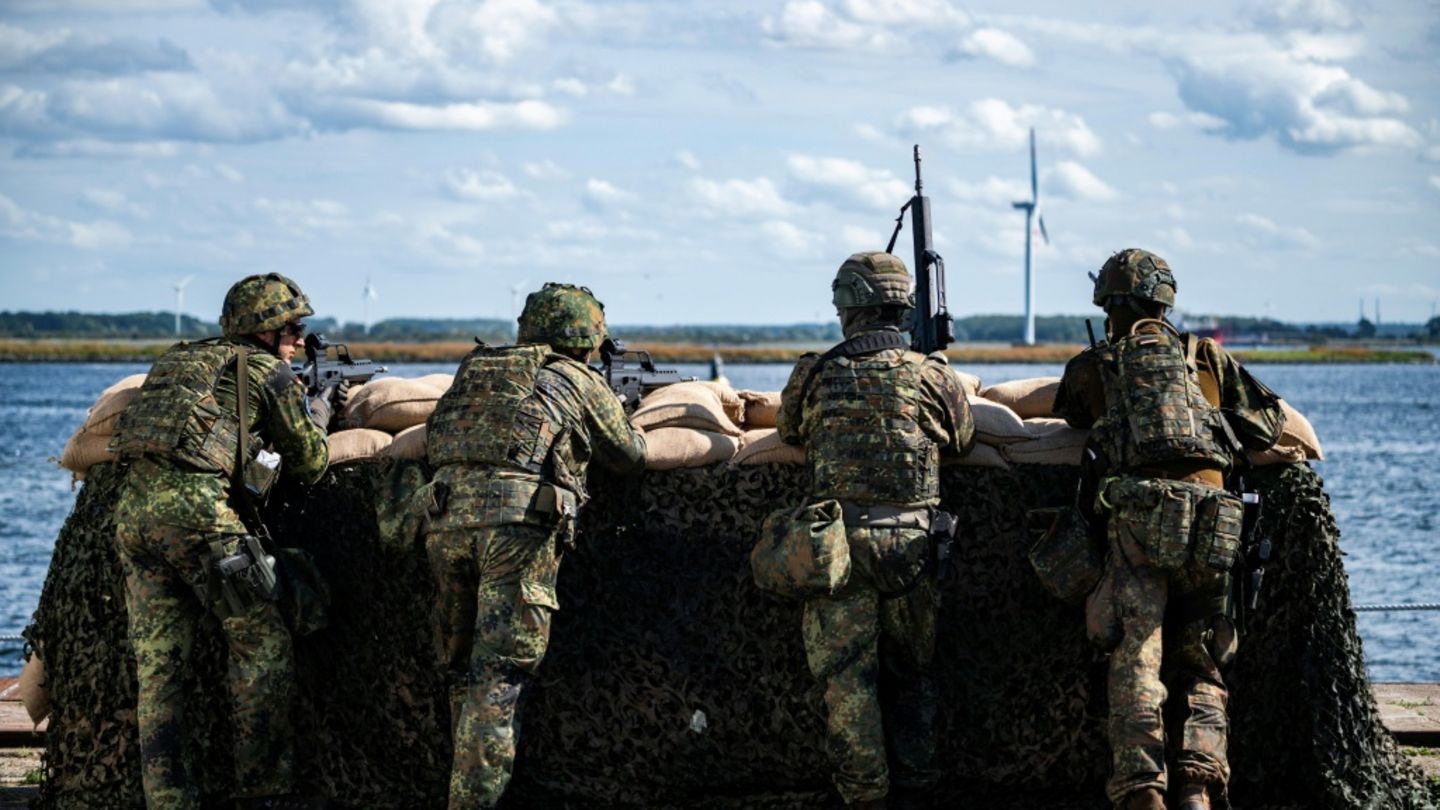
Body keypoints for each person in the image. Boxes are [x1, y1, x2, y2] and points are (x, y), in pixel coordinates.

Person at [1053, 249, 1286, 810]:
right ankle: (1199, 788)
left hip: (1138, 517)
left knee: (1137, 655)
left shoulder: (1098, 362)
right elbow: (1270, 424)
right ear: (1165, 303)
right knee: (1204, 657)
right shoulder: (1206, 357)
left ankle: (1142, 791)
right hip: (1213, 519)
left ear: (1110, 305)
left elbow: (1069, 414)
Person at [110, 273, 334, 809]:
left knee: (159, 669)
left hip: (134, 519)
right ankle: (264, 790)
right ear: (262, 331)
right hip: (201, 523)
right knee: (262, 644)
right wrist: (318, 411)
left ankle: (166, 798)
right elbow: (310, 463)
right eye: (291, 328)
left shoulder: (180, 361)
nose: (299, 339)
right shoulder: (268, 372)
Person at [422, 282, 647, 809]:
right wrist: (614, 405)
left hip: (443, 519)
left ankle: (465, 789)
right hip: (513, 529)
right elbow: (630, 455)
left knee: (461, 673)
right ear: (589, 339)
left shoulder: (477, 368)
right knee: (498, 680)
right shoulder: (576, 377)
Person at [777, 251, 974, 809]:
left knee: (847, 683)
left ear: (847, 308)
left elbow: (790, 430)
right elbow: (960, 439)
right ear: (902, 308)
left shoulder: (816, 371)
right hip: (913, 546)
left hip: (836, 549)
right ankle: (918, 787)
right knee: (914, 675)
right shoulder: (933, 375)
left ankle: (864, 797)